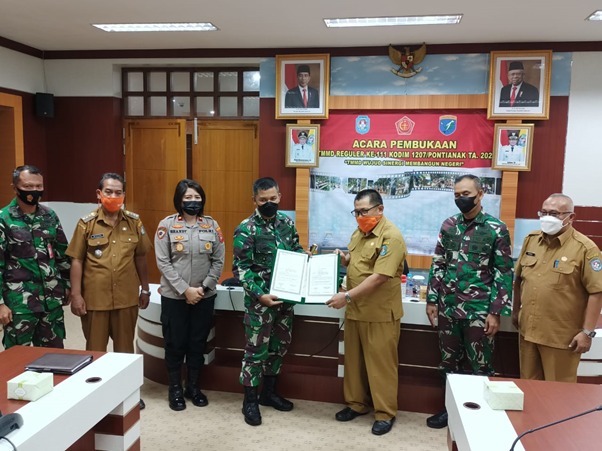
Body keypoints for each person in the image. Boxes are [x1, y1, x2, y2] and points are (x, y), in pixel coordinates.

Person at [425, 174, 513, 429]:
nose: (461, 199)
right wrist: (432, 299)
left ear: (480, 194)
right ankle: (450, 410)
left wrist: (495, 312)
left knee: (480, 365)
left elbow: (504, 272)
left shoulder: (496, 228)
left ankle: (480, 417)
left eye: (466, 194)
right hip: (449, 307)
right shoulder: (449, 225)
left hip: (479, 310)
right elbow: (439, 263)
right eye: (457, 195)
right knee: (448, 364)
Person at [326, 189, 407, 436]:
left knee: (381, 366)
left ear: (380, 209)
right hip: (356, 310)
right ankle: (356, 404)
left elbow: (380, 276)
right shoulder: (359, 232)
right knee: (354, 362)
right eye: (356, 212)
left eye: (364, 211)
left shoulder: (391, 237)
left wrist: (346, 296)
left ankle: (384, 413)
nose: (360, 216)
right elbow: (357, 260)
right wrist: (343, 259)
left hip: (380, 313)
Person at [67, 173, 151, 392]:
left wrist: (145, 289)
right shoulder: (86, 224)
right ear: (99, 194)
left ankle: (128, 392)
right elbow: (77, 260)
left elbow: (141, 257)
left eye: (118, 192)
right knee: (96, 351)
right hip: (96, 299)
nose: (114, 196)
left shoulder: (134, 222)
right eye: (109, 192)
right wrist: (76, 295)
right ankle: (95, 394)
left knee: (125, 352)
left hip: (126, 299)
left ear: (124, 195)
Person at [233, 177, 305, 426]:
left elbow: (296, 251)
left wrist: (306, 261)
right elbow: (241, 269)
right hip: (259, 304)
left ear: (279, 197)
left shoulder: (286, 223)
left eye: (273, 198)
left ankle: (269, 393)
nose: (269, 203)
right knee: (255, 352)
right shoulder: (246, 229)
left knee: (278, 347)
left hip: (285, 301)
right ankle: (250, 401)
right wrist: (259, 295)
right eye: (263, 200)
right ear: (254, 200)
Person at [513, 194, 602, 382]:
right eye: (543, 212)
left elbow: (597, 292)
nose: (547, 218)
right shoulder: (531, 240)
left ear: (571, 217)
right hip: (528, 331)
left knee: (558, 391)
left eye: (554, 214)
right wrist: (515, 312)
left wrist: (587, 333)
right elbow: (519, 279)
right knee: (528, 387)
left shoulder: (585, 248)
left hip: (561, 337)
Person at [155, 179, 225, 411]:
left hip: (204, 296)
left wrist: (203, 288)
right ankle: (175, 389)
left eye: (197, 197)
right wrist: (185, 290)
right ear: (179, 200)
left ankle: (193, 387)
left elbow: (218, 261)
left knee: (197, 343)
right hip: (174, 297)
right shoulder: (166, 225)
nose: (193, 202)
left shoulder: (212, 225)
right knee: (174, 344)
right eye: (188, 198)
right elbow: (163, 262)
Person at [0, 165, 71, 349]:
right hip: (19, 305)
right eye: (28, 186)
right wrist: (0, 304)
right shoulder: (3, 219)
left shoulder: (50, 216)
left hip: (51, 301)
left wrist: (67, 285)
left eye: (39, 186)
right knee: (18, 359)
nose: (34, 191)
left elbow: (62, 254)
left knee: (55, 357)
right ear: (15, 188)